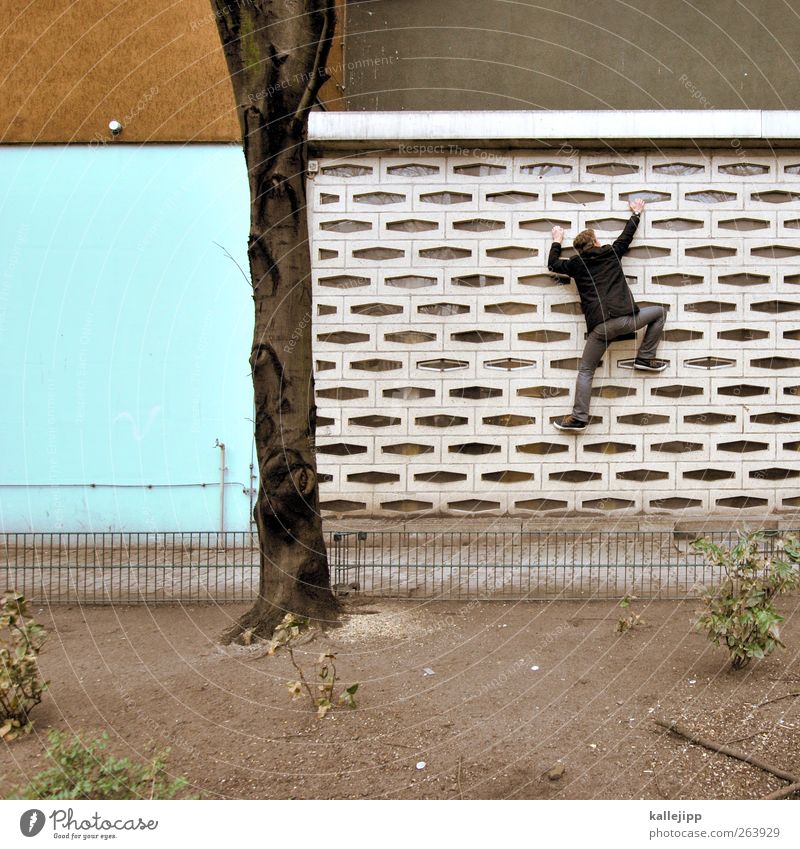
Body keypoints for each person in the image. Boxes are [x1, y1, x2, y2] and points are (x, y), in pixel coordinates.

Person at [546, 198, 667, 432]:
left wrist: (556, 241)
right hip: (626, 321)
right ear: (595, 241)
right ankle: (644, 358)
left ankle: (579, 418)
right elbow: (626, 236)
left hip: (600, 329)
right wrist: (636, 213)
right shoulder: (610, 253)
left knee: (586, 370)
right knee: (660, 312)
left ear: (579, 249)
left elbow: (552, 264)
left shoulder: (574, 264)